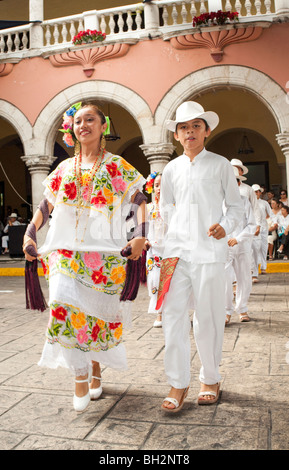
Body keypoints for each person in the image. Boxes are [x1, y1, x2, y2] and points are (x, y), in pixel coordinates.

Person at [23, 102, 147, 412]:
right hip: (64, 254)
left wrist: (140, 234)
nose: (83, 125)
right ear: (72, 128)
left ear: (103, 126)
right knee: (63, 308)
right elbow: (46, 205)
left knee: (92, 319)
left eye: (90, 119)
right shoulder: (64, 168)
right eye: (78, 121)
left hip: (105, 257)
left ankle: (94, 366)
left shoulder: (117, 165)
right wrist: (30, 232)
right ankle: (79, 376)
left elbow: (139, 199)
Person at [157, 101, 244, 412]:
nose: (189, 131)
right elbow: (164, 207)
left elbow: (236, 208)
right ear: (177, 135)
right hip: (175, 253)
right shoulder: (170, 169)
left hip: (208, 252)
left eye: (195, 125)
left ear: (206, 130)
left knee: (206, 317)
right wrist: (170, 232)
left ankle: (210, 377)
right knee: (172, 317)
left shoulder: (220, 165)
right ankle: (178, 383)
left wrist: (225, 226)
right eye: (183, 127)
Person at [225, 167, 256, 325]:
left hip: (242, 246)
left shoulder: (245, 202)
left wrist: (238, 238)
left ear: (238, 183)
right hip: (224, 247)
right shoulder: (220, 202)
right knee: (225, 279)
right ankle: (226, 310)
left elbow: (251, 225)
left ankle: (242, 308)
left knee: (244, 278)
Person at [144, 171, 165, 327]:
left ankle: (174, 313)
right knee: (155, 281)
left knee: (173, 282)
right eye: (156, 185)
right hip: (153, 251)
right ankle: (159, 313)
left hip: (170, 249)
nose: (159, 188)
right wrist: (144, 240)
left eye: (162, 185)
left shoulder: (173, 208)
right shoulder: (149, 208)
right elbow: (141, 228)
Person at [252, 184, 272, 275]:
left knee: (263, 248)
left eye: (258, 191)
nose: (256, 193)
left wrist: (274, 223)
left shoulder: (264, 203)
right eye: (255, 191)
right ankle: (254, 268)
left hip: (263, 228)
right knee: (254, 249)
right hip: (253, 229)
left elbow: (271, 214)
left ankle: (263, 267)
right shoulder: (249, 203)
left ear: (260, 192)